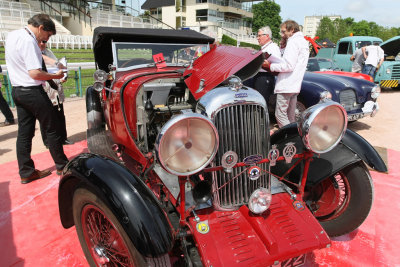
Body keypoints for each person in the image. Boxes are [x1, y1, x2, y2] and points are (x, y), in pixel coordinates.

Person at [5, 14, 69, 184]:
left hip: (18, 90)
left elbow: (37, 61)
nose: (46, 39)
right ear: (41, 28)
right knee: (52, 126)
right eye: (47, 35)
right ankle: (62, 165)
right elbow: (35, 73)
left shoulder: (13, 35)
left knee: (24, 133)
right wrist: (55, 75)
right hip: (32, 91)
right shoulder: (28, 40)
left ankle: (26, 171)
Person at [264, 20, 309, 128]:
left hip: (286, 85)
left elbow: (288, 65)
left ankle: (289, 137)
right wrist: (283, 47)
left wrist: (270, 66)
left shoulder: (293, 42)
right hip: (295, 85)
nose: (282, 34)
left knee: (280, 115)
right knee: (290, 116)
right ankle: (294, 136)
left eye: (284, 32)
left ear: (292, 30)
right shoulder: (303, 42)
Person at [39, 41, 74, 147]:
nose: (43, 44)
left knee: (60, 113)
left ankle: (63, 138)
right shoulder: (34, 53)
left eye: (44, 42)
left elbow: (58, 66)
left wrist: (62, 76)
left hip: (56, 86)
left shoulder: (48, 52)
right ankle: (48, 142)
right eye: (41, 42)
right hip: (45, 86)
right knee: (46, 116)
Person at [244, 26, 281, 106]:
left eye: (259, 35)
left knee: (262, 102)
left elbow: (277, 64)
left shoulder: (273, 48)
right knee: (257, 102)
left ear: (267, 36)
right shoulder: (265, 47)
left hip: (265, 77)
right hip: (258, 76)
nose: (257, 38)